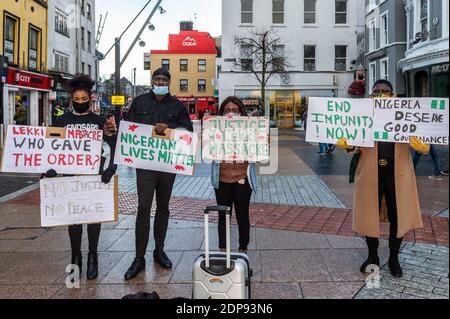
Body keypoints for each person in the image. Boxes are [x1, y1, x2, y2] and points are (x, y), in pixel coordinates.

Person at [336, 79, 429, 278]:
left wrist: (421, 144)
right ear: (371, 93)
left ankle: (394, 258)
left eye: (385, 91)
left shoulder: (406, 113)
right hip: (370, 172)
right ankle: (373, 256)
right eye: (377, 91)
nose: (381, 94)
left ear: (392, 93)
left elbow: (425, 138)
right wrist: (347, 144)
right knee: (369, 215)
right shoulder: (364, 114)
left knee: (398, 216)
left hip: (399, 174)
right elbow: (355, 143)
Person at [41, 74, 118, 280]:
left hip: (94, 178)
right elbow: (52, 147)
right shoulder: (62, 120)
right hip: (71, 178)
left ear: (90, 99)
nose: (81, 103)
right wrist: (49, 168)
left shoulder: (99, 121)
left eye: (85, 99)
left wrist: (111, 168)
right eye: (77, 99)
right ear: (71, 99)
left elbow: (112, 146)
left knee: (93, 219)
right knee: (74, 220)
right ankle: (76, 256)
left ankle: (93, 255)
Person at [123, 67, 193, 280]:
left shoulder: (178, 106)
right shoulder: (139, 102)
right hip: (144, 165)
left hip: (167, 165)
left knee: (163, 207)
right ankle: (139, 257)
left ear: (169, 82)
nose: (160, 82)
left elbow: (188, 131)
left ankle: (159, 251)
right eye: (157, 79)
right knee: (143, 207)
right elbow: (128, 127)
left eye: (164, 79)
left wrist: (169, 128)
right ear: (152, 81)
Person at [210, 97, 259, 254]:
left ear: (241, 112)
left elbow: (259, 155)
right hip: (221, 179)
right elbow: (207, 155)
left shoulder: (250, 129)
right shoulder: (215, 129)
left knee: (242, 215)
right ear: (222, 112)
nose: (231, 113)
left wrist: (264, 142)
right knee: (223, 215)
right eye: (227, 110)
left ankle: (243, 248)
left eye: (235, 110)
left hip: (243, 179)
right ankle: (223, 248)